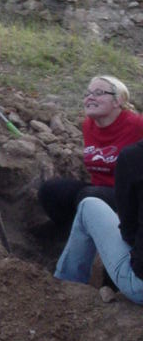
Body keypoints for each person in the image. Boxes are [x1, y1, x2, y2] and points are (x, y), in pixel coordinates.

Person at [38, 75, 143, 229]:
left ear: (118, 100)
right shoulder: (88, 126)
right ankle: (70, 235)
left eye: (99, 93)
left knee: (90, 197)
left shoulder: (137, 125)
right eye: (87, 94)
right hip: (99, 190)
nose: (90, 98)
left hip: (131, 197)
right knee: (51, 190)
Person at [54, 142, 143, 305]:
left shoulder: (132, 157)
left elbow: (128, 232)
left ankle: (64, 289)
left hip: (140, 286)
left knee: (89, 205)